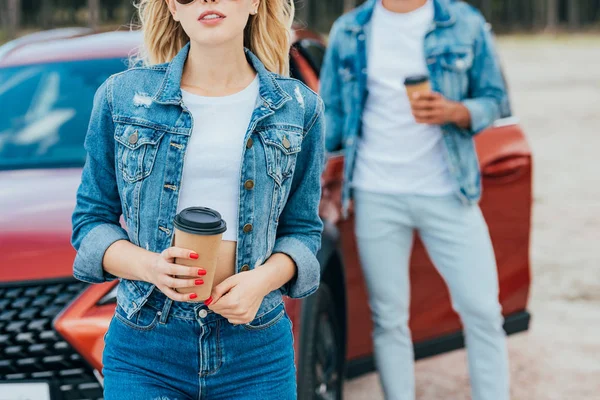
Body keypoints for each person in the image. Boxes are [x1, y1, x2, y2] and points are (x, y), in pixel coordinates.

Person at [70, 0, 325, 398]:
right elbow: (90, 222)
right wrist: (152, 267)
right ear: (173, 7)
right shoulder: (121, 98)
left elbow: (303, 230)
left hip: (256, 350)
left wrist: (261, 282)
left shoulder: (298, 107)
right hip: (146, 346)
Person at [321, 0, 509, 399]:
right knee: (388, 319)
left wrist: (457, 111)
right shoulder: (349, 30)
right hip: (376, 194)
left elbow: (494, 97)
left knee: (484, 312)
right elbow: (332, 119)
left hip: (449, 192)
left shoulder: (463, 23)